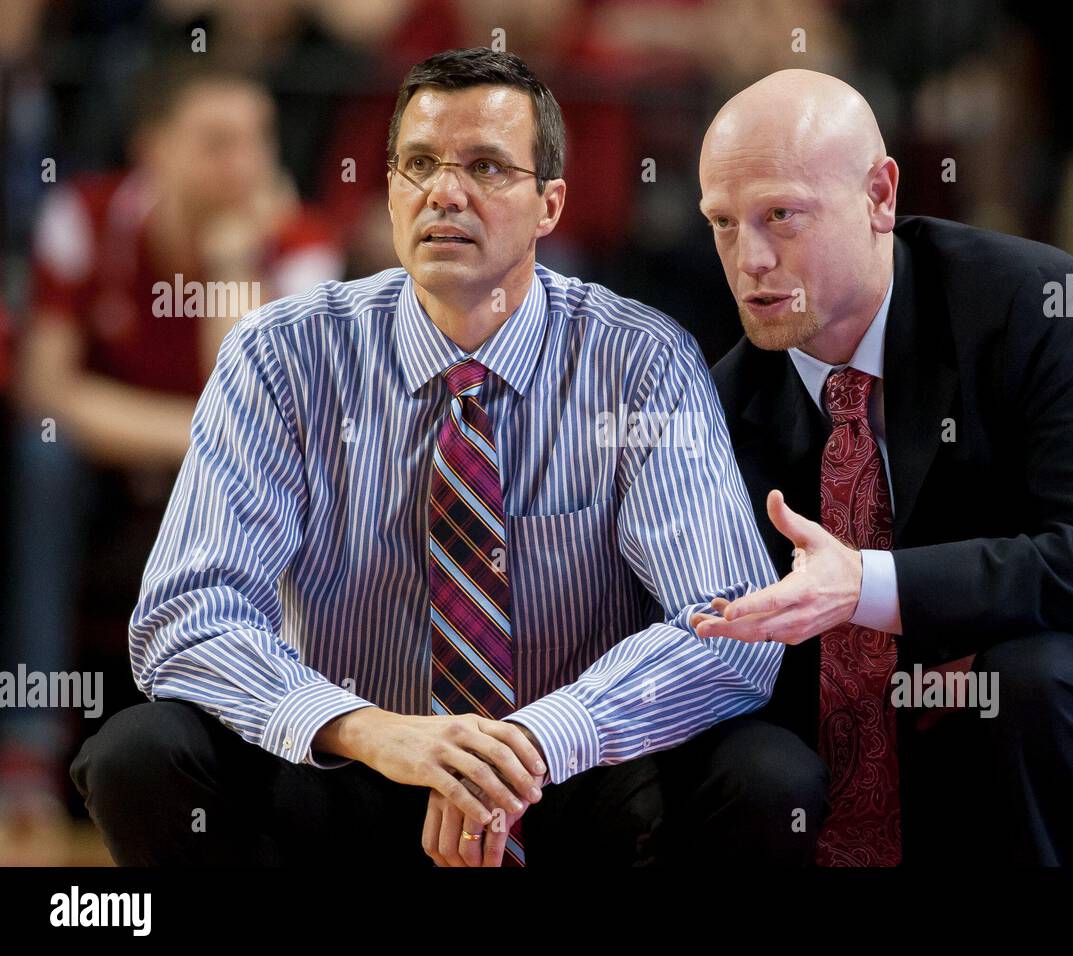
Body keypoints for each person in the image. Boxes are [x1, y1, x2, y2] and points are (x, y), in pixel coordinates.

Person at [71, 48, 827, 867]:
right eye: (419, 163)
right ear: (391, 186)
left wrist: (535, 741)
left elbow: (734, 628)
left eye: (487, 167)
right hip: (360, 770)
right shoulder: (281, 356)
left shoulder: (638, 361)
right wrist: (367, 731)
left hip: (575, 779)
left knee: (768, 776)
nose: (445, 192)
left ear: (549, 205)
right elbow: (186, 616)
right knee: (139, 754)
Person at [696, 69, 1073, 865]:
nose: (752, 259)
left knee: (1036, 680)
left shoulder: (1037, 304)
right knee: (752, 764)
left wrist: (871, 586)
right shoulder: (724, 400)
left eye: (782, 215)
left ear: (880, 196)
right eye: (724, 223)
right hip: (934, 729)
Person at [1, 62, 340, 831]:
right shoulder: (83, 214)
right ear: (153, 147)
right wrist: (197, 434)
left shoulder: (299, 241)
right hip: (105, 473)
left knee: (303, 475)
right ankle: (26, 740)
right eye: (217, 143)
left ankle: (257, 742)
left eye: (257, 141)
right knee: (39, 455)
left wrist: (229, 264)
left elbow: (260, 420)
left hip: (237, 485)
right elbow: (46, 389)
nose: (245, 165)